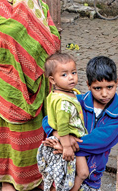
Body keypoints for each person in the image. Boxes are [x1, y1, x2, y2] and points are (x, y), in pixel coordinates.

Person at [0, 0, 61, 191]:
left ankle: (36, 179)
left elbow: (52, 39)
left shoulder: (38, 3)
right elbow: (13, 35)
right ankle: (9, 180)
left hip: (36, 82)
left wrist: (31, 9)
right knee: (11, 139)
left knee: (36, 135)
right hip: (10, 84)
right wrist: (25, 10)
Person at [42, 56, 118, 191]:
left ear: (117, 83)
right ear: (88, 85)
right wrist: (60, 136)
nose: (105, 94)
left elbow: (100, 141)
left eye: (110, 87)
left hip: (92, 176)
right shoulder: (77, 102)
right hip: (65, 167)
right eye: (97, 88)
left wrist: (67, 145)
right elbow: (48, 120)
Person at [37, 53, 89, 191]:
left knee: (76, 174)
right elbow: (62, 125)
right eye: (64, 75)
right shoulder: (62, 102)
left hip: (68, 141)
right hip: (65, 142)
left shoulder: (68, 93)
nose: (71, 77)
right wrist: (66, 146)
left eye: (73, 72)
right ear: (53, 80)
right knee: (66, 177)